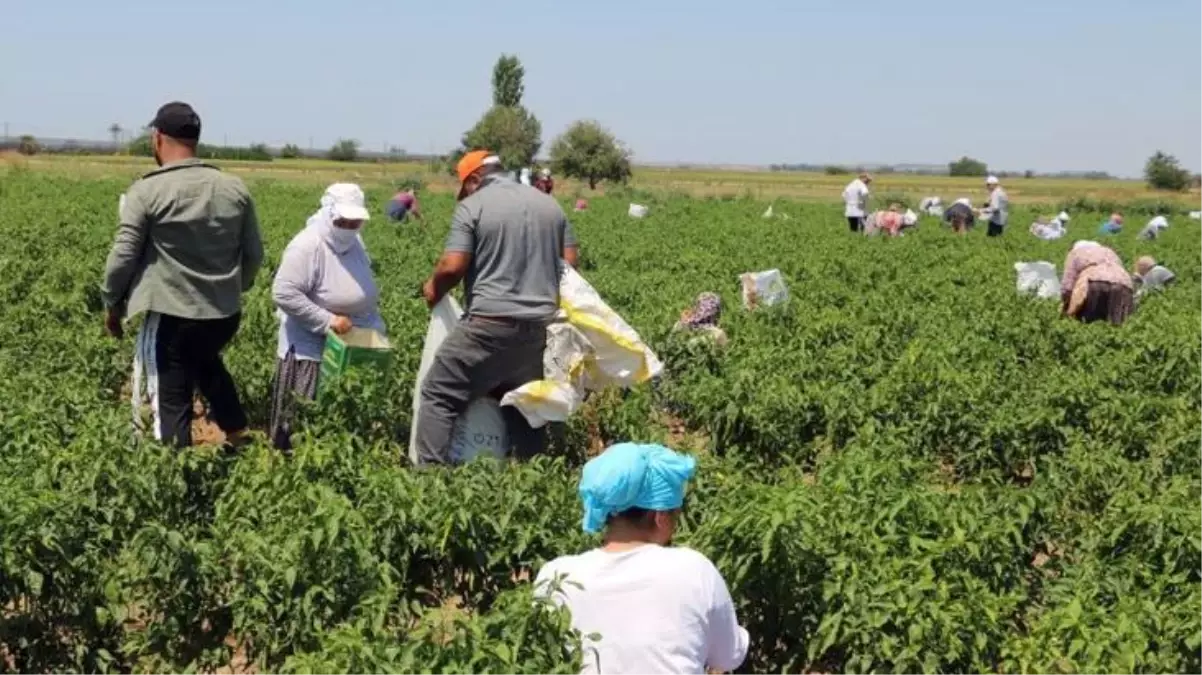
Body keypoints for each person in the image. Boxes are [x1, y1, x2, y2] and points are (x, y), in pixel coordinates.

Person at [101, 102, 263, 448]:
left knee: (168, 397)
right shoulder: (234, 188)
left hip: (173, 316)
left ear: (157, 139)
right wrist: (234, 289)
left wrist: (112, 303)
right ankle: (237, 439)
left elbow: (124, 255)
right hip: (223, 315)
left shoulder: (147, 190)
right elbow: (254, 255)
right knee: (206, 364)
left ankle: (172, 477)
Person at [414, 151, 579, 465]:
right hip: (539, 328)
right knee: (524, 403)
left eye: (464, 187)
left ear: (475, 179)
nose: (464, 194)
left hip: (488, 325)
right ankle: (531, 480)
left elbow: (452, 265)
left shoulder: (473, 206)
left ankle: (429, 483)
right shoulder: (550, 205)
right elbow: (570, 264)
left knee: (439, 394)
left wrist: (433, 289)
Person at [534, 443, 749, 675]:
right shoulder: (693, 569)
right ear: (659, 517)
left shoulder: (555, 576)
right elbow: (728, 657)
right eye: (676, 513)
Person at [270, 183, 384, 451]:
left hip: (349, 345)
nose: (348, 226)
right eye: (342, 221)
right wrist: (328, 320)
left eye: (355, 222)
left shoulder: (355, 242)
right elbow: (284, 293)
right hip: (312, 351)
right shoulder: (308, 245)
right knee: (303, 422)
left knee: (341, 419)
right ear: (327, 213)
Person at [1060, 241, 1135, 325]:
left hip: (1095, 282)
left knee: (1087, 324)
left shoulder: (1075, 253)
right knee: (1118, 324)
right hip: (1124, 285)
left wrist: (1066, 306)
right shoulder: (1110, 252)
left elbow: (1067, 286)